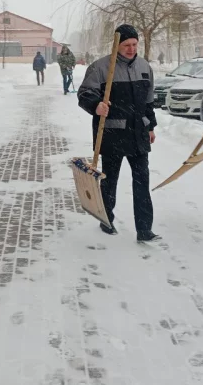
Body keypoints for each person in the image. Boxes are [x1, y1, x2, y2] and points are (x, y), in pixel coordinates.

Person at [77, 24, 160, 243]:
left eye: (134, 44)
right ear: (117, 45)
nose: (131, 49)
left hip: (138, 134)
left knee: (142, 181)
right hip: (112, 134)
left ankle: (144, 229)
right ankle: (107, 219)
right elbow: (85, 93)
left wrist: (150, 126)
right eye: (126, 45)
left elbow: (149, 101)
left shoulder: (144, 67)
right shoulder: (101, 67)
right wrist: (96, 105)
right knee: (110, 181)